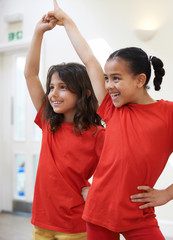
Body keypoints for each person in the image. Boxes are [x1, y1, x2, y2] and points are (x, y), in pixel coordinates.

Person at [47, 1, 173, 239]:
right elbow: (89, 60)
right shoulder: (112, 109)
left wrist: (166, 193)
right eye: (106, 79)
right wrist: (68, 22)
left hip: (139, 215)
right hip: (98, 212)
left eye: (116, 78)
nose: (109, 86)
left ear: (139, 80)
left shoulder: (172, 113)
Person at [24, 14, 105, 240]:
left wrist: (96, 189)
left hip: (76, 227)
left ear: (84, 92)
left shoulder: (99, 134)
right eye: (51, 87)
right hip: (41, 223)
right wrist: (38, 32)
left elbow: (114, 171)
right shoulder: (49, 122)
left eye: (62, 87)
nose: (53, 94)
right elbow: (30, 74)